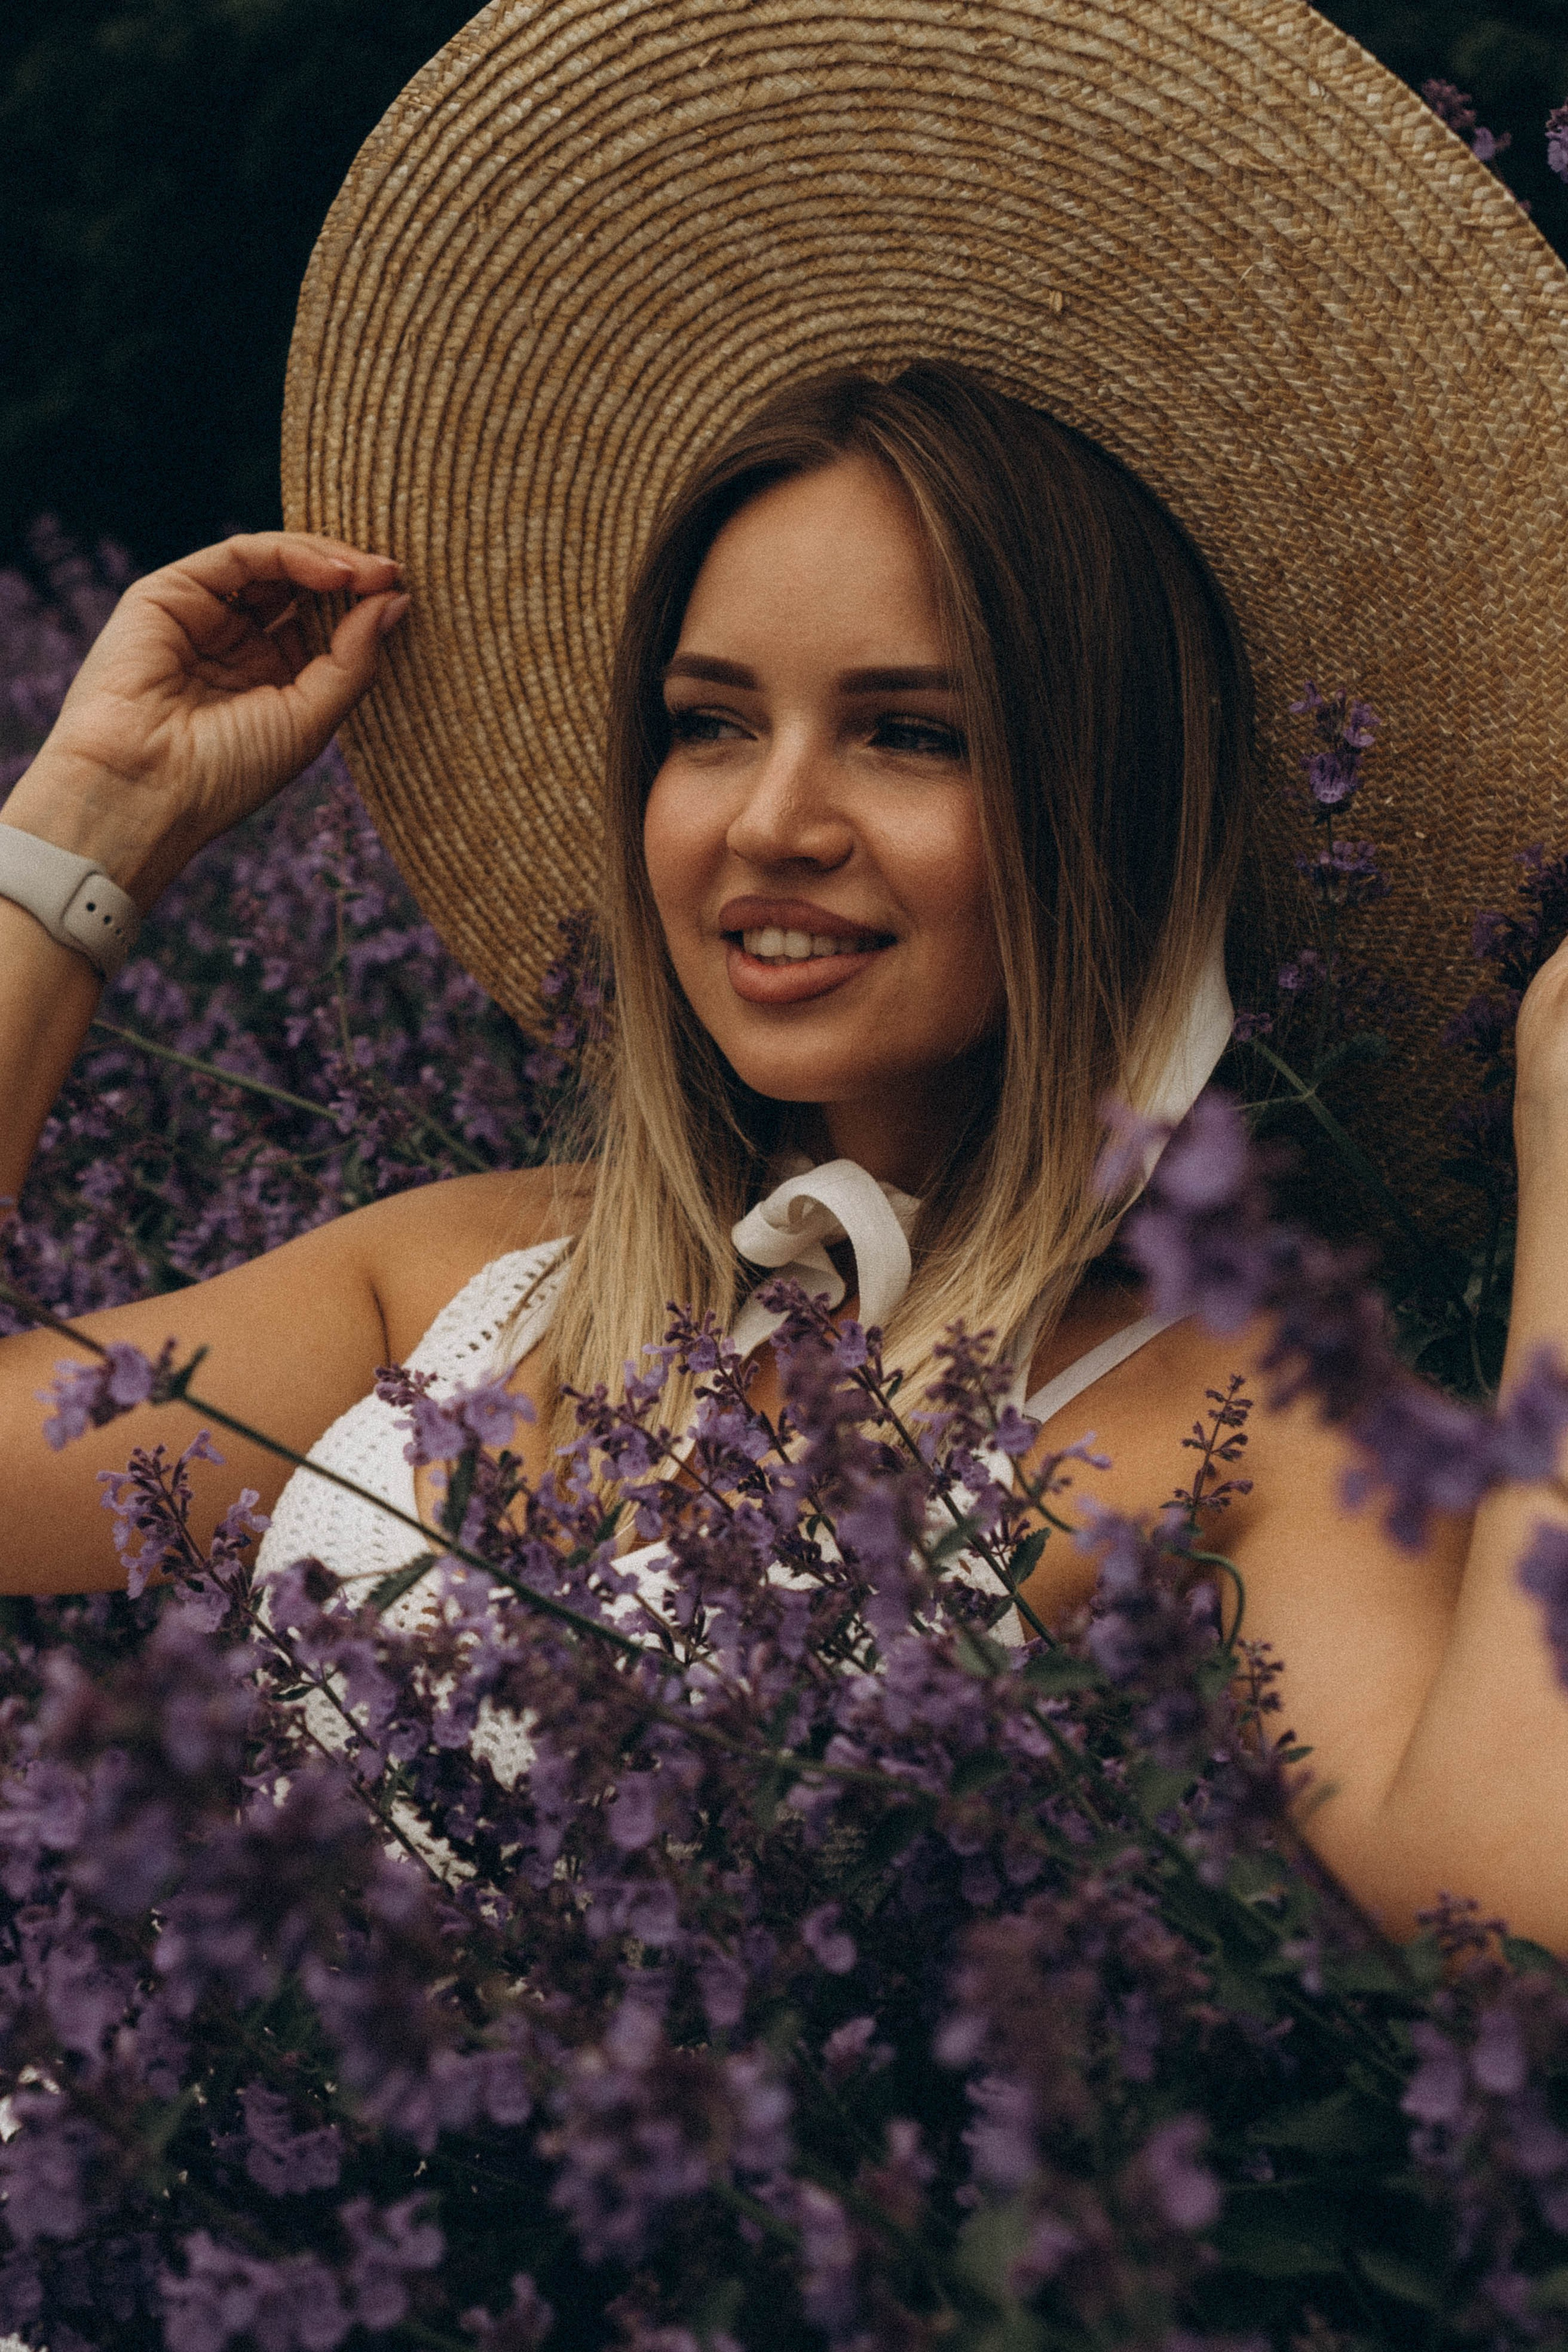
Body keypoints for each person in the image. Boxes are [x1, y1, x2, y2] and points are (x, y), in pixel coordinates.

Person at [4, 0, 1568, 1962]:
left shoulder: (1221, 1433)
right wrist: (84, 837)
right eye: (709, 723)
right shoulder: (467, 1290)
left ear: (1114, 813)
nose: (772, 823)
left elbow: (1512, 1892)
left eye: (912, 733)